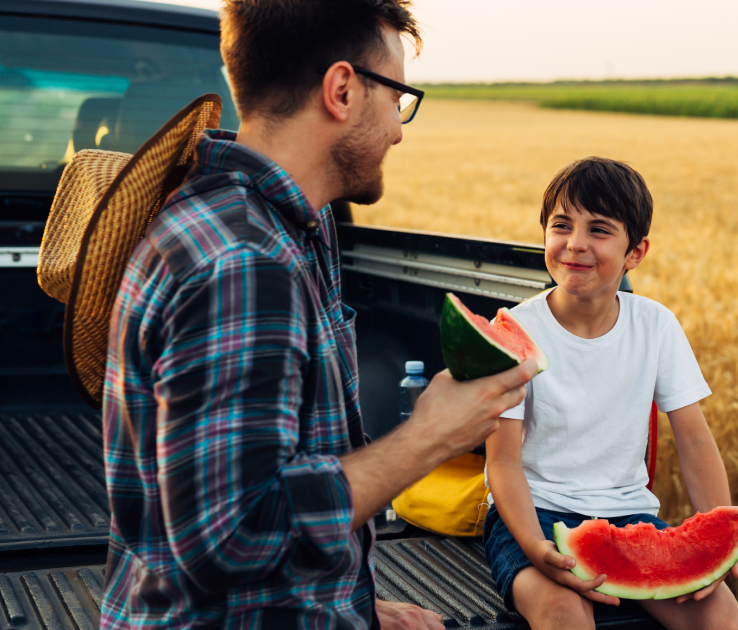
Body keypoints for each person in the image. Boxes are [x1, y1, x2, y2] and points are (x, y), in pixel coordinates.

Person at [100, 1, 537, 628]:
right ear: (342, 90)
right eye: (398, 98)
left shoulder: (279, 227)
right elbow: (231, 535)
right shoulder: (245, 262)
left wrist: (351, 606)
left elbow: (278, 477)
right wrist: (429, 436)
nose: (398, 130)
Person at [483, 158, 738, 630]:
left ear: (636, 252)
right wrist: (532, 545)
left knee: (726, 620)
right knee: (565, 616)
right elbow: (502, 460)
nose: (576, 244)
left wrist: (717, 545)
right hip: (534, 514)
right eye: (561, 225)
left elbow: (693, 440)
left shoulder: (656, 325)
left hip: (628, 514)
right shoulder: (515, 329)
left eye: (599, 230)